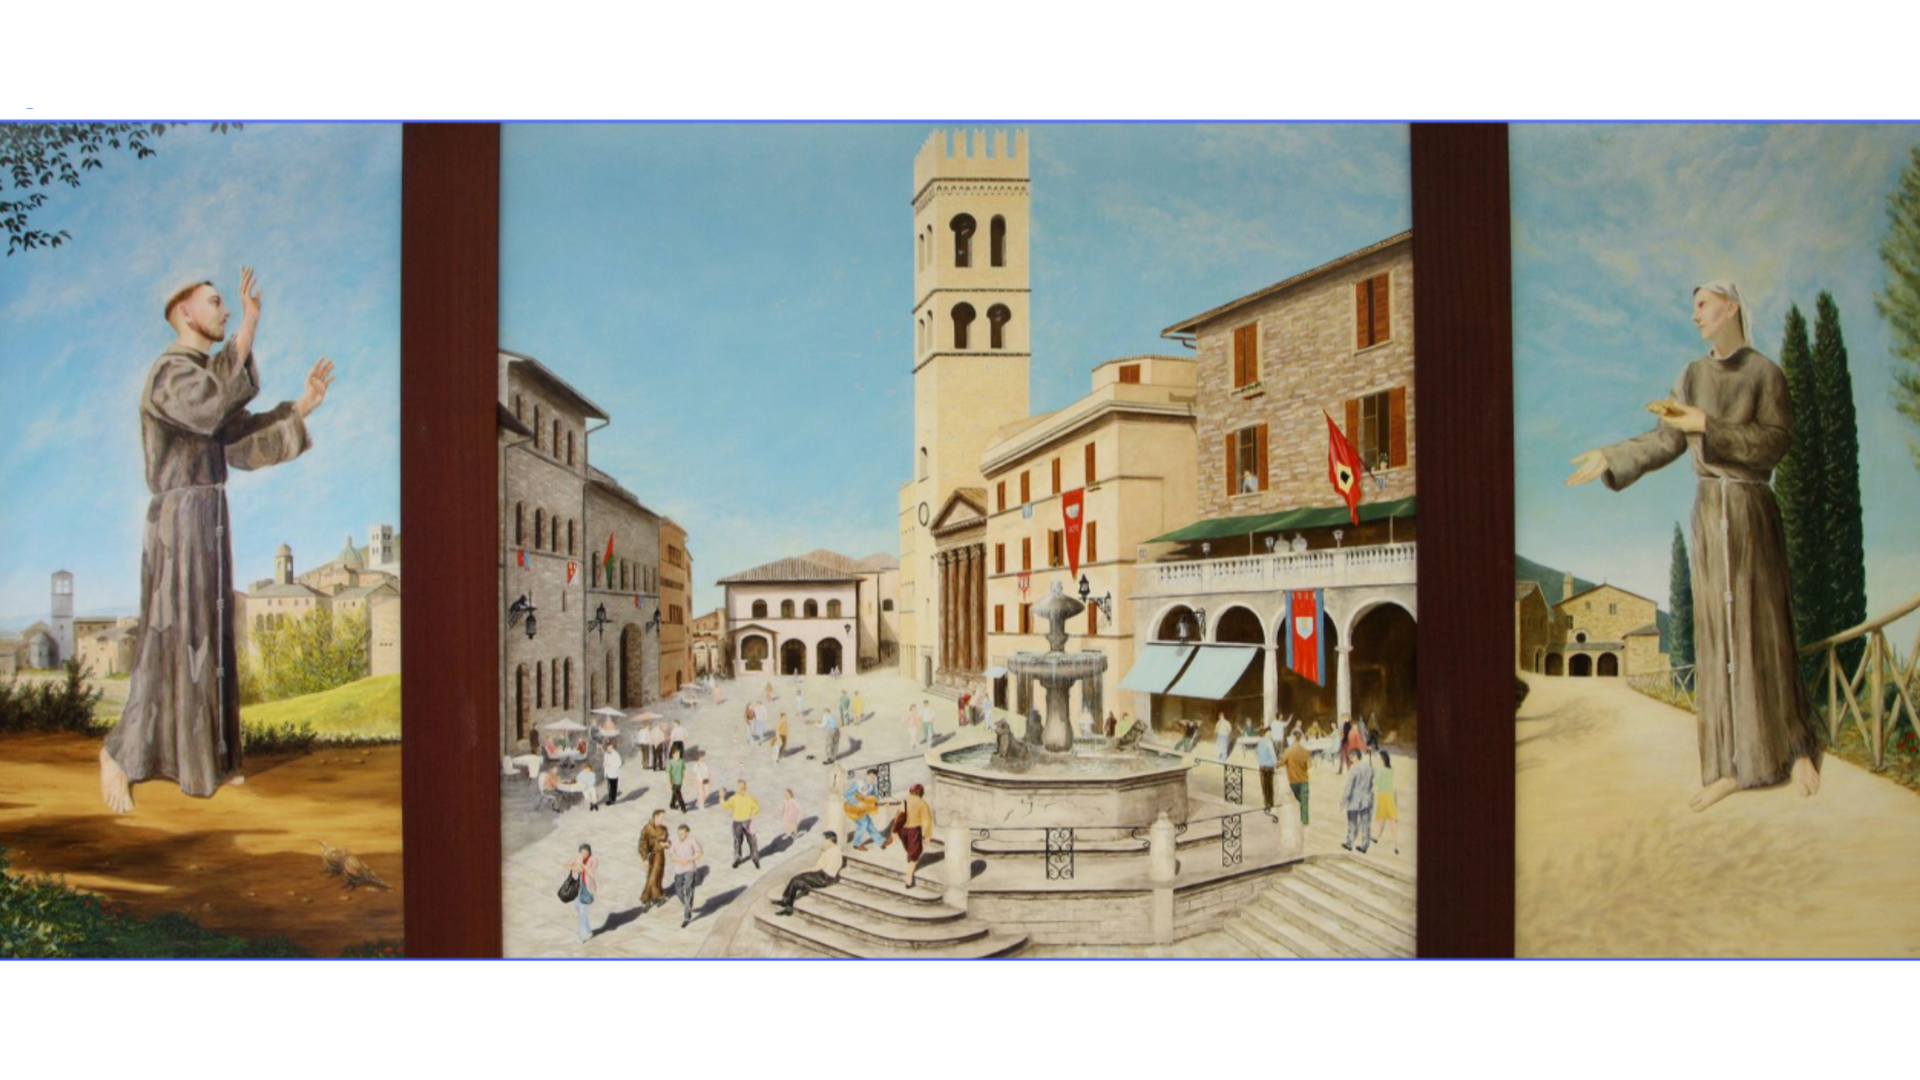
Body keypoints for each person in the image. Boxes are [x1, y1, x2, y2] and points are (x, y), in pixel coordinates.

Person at [1569, 280, 1822, 812]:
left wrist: (1710, 425)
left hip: (1752, 507)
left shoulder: (1765, 374)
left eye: (1702, 305)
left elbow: (1775, 442)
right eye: (1694, 308)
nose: (1695, 316)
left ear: (1730, 307)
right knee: (1715, 637)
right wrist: (1612, 457)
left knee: (1768, 627)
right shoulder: (1691, 375)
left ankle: (1797, 747)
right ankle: (1728, 767)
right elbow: (1666, 439)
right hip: (1710, 514)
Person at [101, 269, 334, 813]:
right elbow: (209, 406)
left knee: (209, 637)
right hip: (178, 518)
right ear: (184, 311)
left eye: (229, 306)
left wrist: (301, 408)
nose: (226, 310)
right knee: (171, 635)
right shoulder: (169, 375)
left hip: (209, 515)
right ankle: (119, 756)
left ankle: (208, 760)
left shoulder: (205, 378)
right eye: (216, 303)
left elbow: (237, 440)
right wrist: (251, 326)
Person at [773, 831, 843, 916]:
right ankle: (785, 900)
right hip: (828, 876)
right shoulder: (837, 849)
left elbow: (816, 868)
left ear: (829, 840)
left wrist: (801, 871)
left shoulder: (828, 852)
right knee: (797, 879)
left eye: (824, 840)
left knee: (795, 880)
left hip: (823, 877)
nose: (823, 842)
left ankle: (788, 907)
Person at [883, 783, 936, 889]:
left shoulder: (905, 800)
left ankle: (910, 860)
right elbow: (927, 820)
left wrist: (894, 831)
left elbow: (898, 815)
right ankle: (909, 878)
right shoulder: (922, 804)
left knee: (910, 850)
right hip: (913, 830)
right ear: (921, 793)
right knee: (914, 855)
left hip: (903, 830)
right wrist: (927, 836)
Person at [721, 779, 762, 870]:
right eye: (740, 786)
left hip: (747, 821)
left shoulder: (749, 797)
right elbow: (725, 806)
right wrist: (722, 797)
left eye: (743, 786)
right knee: (737, 841)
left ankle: (755, 858)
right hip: (737, 822)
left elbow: (757, 808)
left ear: (745, 787)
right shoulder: (734, 798)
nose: (741, 787)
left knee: (752, 840)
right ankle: (737, 858)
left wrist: (753, 813)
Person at [669, 824, 703, 929]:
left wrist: (689, 860)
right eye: (679, 834)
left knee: (688, 890)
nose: (681, 836)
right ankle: (687, 905)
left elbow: (699, 853)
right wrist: (679, 860)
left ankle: (686, 917)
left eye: (683, 834)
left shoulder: (692, 841)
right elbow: (672, 854)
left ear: (687, 833)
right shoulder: (675, 841)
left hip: (689, 869)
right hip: (678, 869)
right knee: (678, 890)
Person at [564, 843, 599, 943]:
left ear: (589, 853)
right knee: (577, 906)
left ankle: (581, 936)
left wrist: (583, 865)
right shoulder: (579, 859)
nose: (584, 854)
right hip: (578, 888)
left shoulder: (592, 860)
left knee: (582, 914)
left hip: (587, 889)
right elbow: (576, 870)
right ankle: (588, 930)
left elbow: (592, 874)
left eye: (586, 852)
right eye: (582, 852)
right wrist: (570, 866)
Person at [1341, 750, 1374, 854]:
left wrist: (1343, 801)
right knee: (1365, 823)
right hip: (1366, 799)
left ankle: (1349, 843)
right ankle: (1365, 846)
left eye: (1351, 757)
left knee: (1352, 823)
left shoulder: (1354, 769)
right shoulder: (1369, 768)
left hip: (1354, 800)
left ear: (1356, 757)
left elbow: (1349, 787)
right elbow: (1372, 784)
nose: (1350, 759)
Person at [844, 769, 886, 850]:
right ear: (866, 775)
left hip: (863, 810)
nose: (871, 779)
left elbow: (877, 797)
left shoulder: (872, 786)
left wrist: (884, 803)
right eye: (870, 777)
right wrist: (857, 802)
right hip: (853, 808)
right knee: (863, 824)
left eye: (874, 778)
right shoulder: (859, 784)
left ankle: (880, 841)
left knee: (869, 824)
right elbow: (847, 794)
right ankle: (856, 843)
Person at [639, 808, 671, 910]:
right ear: (655, 816)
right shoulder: (647, 828)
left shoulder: (664, 829)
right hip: (651, 855)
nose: (662, 820)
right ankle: (653, 897)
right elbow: (642, 844)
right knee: (651, 877)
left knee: (656, 877)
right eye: (661, 817)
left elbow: (667, 841)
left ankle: (652, 897)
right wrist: (644, 858)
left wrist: (666, 844)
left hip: (660, 856)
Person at [1371, 749, 1401, 854]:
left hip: (1383, 797)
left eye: (1379, 758)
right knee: (1392, 822)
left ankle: (1376, 837)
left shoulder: (1380, 771)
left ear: (1382, 759)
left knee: (1379, 819)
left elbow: (1376, 786)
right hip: (1390, 796)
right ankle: (1395, 844)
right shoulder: (1391, 769)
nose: (1377, 760)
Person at [1282, 731, 1314, 827]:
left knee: (1298, 798)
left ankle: (1300, 817)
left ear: (1292, 738)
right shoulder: (1306, 752)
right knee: (1304, 800)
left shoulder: (1288, 751)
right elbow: (1309, 766)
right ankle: (1305, 820)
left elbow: (1282, 762)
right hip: (1304, 780)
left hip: (1293, 780)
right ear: (1301, 739)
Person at [1254, 724, 1280, 812]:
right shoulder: (1269, 742)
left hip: (1262, 767)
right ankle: (1271, 804)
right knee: (1270, 787)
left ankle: (1266, 804)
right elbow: (1273, 755)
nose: (1271, 735)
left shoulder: (1260, 742)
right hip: (1269, 768)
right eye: (1270, 733)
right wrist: (1276, 764)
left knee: (1264, 786)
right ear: (1267, 733)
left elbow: (1256, 753)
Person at [668, 746, 689, 813]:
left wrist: (686, 778)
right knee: (679, 794)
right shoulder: (670, 762)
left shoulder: (682, 761)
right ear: (673, 754)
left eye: (679, 754)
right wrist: (668, 782)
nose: (678, 755)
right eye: (677, 754)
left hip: (680, 780)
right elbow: (668, 773)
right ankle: (683, 807)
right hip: (673, 781)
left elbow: (683, 770)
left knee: (675, 793)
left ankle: (672, 804)